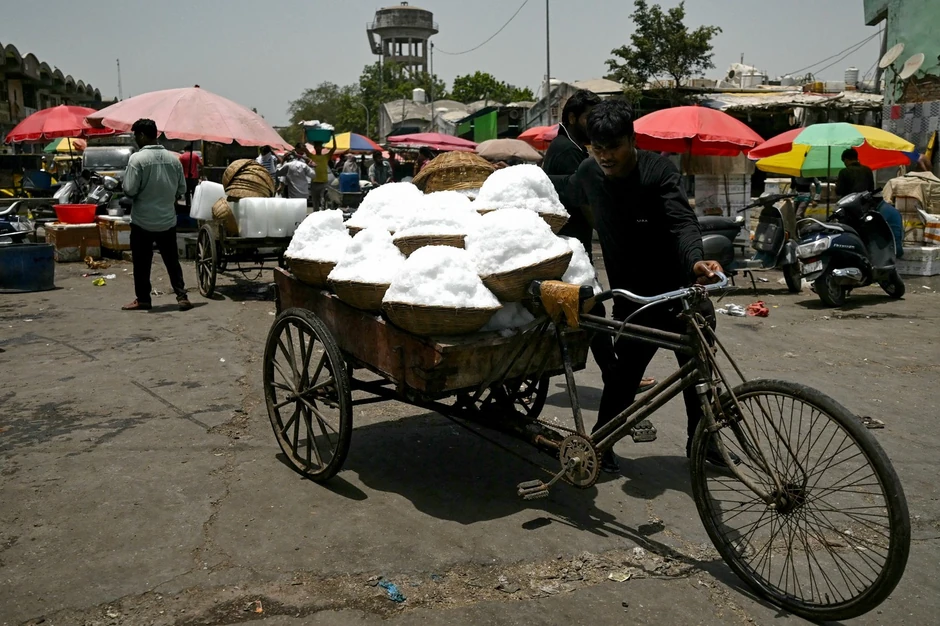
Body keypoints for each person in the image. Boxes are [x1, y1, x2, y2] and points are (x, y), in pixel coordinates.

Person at [551, 100, 727, 473]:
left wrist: (695, 259)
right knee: (622, 379)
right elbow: (558, 195)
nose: (605, 157)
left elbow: (681, 222)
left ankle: (704, 444)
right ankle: (602, 444)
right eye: (598, 149)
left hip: (681, 294)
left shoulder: (658, 171)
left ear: (631, 139)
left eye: (612, 148)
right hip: (635, 300)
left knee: (700, 376)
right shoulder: (588, 173)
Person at [544, 89, 656, 395]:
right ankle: (618, 376)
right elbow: (583, 200)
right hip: (568, 246)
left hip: (572, 245)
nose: (595, 123)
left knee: (592, 310)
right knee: (593, 309)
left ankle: (618, 375)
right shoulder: (567, 150)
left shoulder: (576, 146)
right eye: (588, 117)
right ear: (571, 118)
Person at [121, 118, 192, 312]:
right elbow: (181, 189)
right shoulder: (173, 159)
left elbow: (129, 190)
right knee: (171, 261)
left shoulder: (137, 159)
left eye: (136, 135)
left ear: (143, 135)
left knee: (141, 263)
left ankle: (143, 299)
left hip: (142, 220)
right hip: (167, 220)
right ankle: (182, 296)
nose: (135, 139)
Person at [308, 133, 337, 211]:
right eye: (316, 146)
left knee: (323, 202)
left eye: (319, 146)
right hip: (314, 183)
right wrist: (305, 133)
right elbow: (304, 147)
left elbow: (334, 148)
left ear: (321, 148)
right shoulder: (312, 156)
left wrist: (332, 135)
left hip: (324, 183)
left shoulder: (326, 156)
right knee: (315, 204)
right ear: (314, 147)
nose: (318, 148)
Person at [178, 143, 202, 208]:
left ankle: (188, 205)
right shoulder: (195, 156)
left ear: (185, 150)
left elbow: (179, 166)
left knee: (187, 193)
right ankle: (194, 206)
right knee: (195, 192)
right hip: (194, 177)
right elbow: (201, 164)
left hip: (185, 177)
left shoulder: (182, 156)